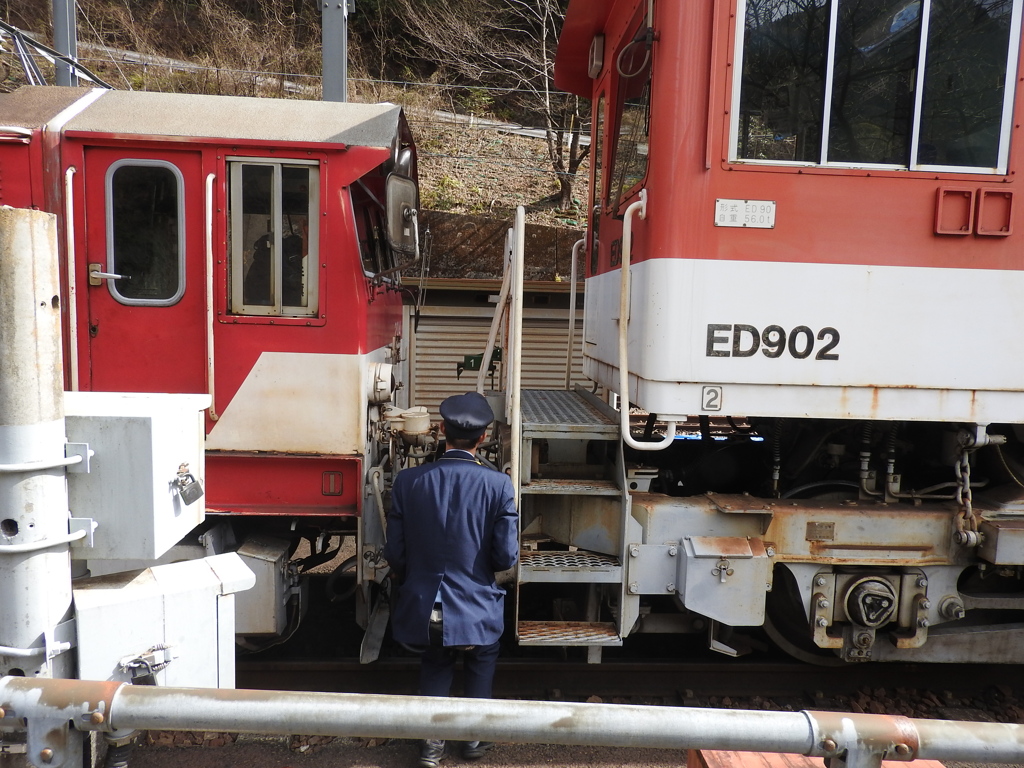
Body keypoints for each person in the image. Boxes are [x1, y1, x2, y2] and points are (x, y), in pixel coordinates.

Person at [383, 392, 519, 768]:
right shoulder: (498, 486)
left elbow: (395, 552)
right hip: (476, 609)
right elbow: (505, 556)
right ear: (484, 437)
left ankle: (431, 747)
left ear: (442, 430)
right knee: (483, 655)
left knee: (436, 661)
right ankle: (473, 740)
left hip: (424, 605)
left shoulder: (409, 482)